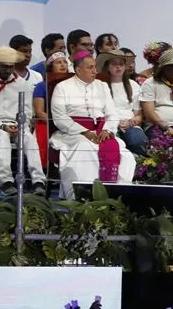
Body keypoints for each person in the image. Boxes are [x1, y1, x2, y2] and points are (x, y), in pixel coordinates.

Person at [50, 52, 136, 199]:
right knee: (86, 147)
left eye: (95, 67)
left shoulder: (102, 86)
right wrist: (84, 132)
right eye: (90, 68)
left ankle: (116, 197)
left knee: (126, 156)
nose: (95, 71)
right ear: (78, 70)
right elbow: (59, 117)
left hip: (101, 132)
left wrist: (107, 130)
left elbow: (112, 114)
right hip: (73, 134)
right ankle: (84, 196)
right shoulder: (62, 87)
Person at [0, 46, 48, 197]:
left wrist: (21, 125)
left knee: (28, 138)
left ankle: (39, 181)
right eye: (5, 66)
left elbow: (28, 112)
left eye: (11, 67)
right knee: (2, 137)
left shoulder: (23, 84)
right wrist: (2, 126)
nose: (8, 70)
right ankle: (6, 181)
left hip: (17, 125)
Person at [98, 50, 148, 157]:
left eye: (121, 64)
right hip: (108, 125)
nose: (118, 67)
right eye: (114, 64)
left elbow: (138, 114)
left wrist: (130, 123)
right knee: (113, 144)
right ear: (107, 66)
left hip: (129, 124)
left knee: (138, 141)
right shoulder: (100, 85)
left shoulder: (133, 85)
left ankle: (139, 170)